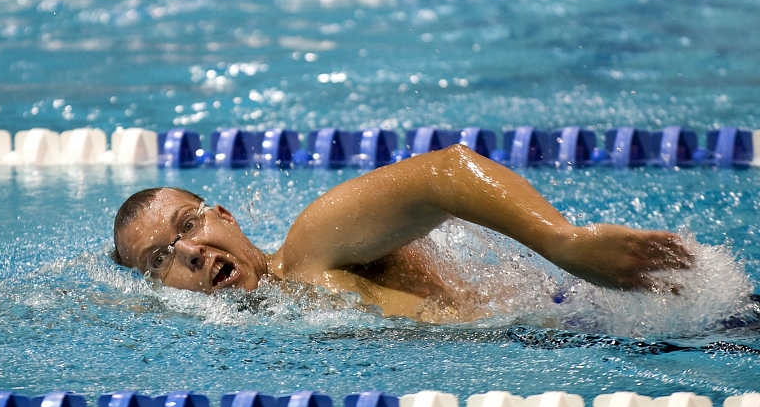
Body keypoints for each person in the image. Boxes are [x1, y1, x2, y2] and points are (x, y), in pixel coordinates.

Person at [113, 144, 691, 319]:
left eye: (189, 225)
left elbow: (441, 174)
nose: (189, 252)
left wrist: (566, 243)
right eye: (159, 259)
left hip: (607, 319)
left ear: (227, 217)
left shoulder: (312, 247)